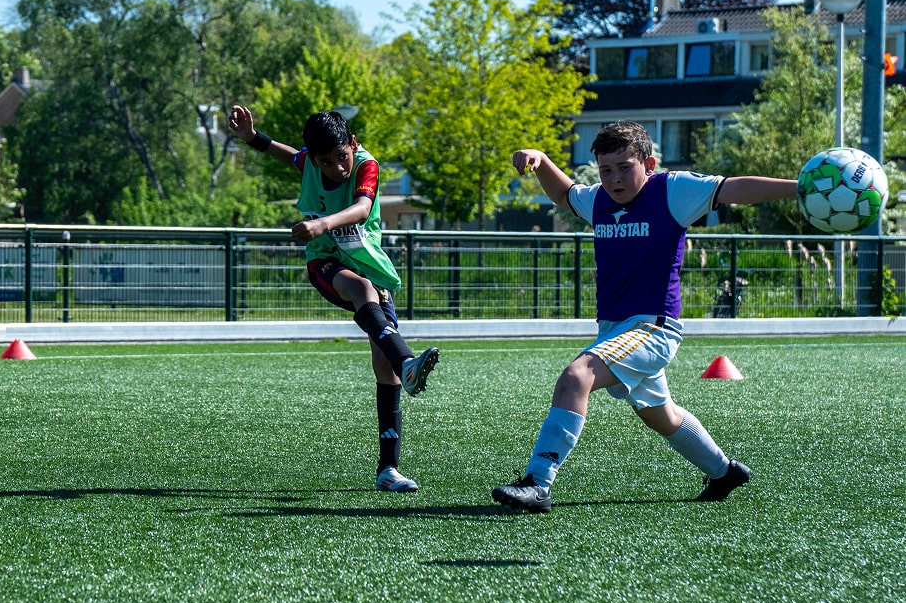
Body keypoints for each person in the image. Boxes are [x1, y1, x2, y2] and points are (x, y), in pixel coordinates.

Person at [491, 120, 797, 513]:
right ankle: (724, 472)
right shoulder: (600, 199)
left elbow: (734, 188)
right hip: (616, 330)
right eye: (606, 170)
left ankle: (538, 483)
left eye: (625, 167)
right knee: (662, 416)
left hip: (652, 328)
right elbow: (566, 195)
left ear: (648, 163)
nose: (614, 179)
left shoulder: (672, 190)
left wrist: (797, 187)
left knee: (576, 376)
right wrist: (542, 160)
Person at [228, 105, 438, 493]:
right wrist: (252, 138)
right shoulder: (311, 161)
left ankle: (388, 469)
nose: (336, 169)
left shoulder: (365, 165)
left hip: (367, 262)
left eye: (341, 157)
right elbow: (291, 155)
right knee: (362, 292)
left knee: (383, 362)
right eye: (325, 162)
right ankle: (409, 361)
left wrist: (321, 222)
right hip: (325, 262)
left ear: (352, 145)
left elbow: (361, 208)